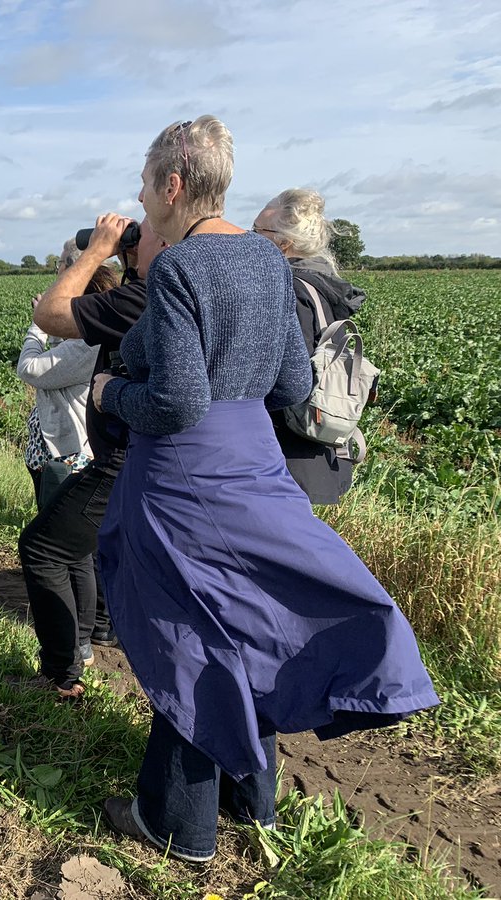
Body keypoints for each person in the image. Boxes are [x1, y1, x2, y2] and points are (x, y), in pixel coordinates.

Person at [91, 117, 439, 863]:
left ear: (173, 185)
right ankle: (256, 803)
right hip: (253, 464)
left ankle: (177, 824)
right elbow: (292, 382)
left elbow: (178, 401)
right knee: (248, 626)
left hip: (184, 478)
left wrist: (110, 393)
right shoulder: (263, 261)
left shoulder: (182, 268)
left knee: (188, 638)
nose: (142, 198)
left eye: (147, 183)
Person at [19, 216, 167, 699]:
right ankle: (83, 648)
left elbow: (47, 323)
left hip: (112, 458)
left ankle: (64, 672)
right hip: (121, 455)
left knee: (44, 548)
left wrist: (94, 251)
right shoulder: (151, 293)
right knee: (74, 550)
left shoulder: (139, 302)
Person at [17, 250, 119, 670]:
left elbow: (30, 369)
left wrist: (38, 324)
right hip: (62, 448)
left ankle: (78, 646)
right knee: (76, 552)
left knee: (64, 552)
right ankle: (89, 633)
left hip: (68, 452)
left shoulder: (84, 346)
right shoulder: (84, 340)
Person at [254, 188, 367, 504]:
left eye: (256, 232)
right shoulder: (322, 287)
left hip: (287, 456)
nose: (248, 239)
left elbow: (292, 379)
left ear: (283, 243)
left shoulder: (291, 289)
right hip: (314, 451)